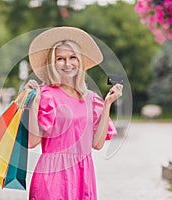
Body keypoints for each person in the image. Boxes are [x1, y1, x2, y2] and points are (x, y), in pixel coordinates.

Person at [26, 27, 123, 200]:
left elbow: (97, 145)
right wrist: (33, 105)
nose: (67, 63)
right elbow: (32, 142)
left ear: (80, 62)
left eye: (72, 58)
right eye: (60, 59)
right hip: (52, 176)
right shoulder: (46, 95)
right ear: (53, 63)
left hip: (83, 176)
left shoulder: (91, 100)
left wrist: (108, 104)